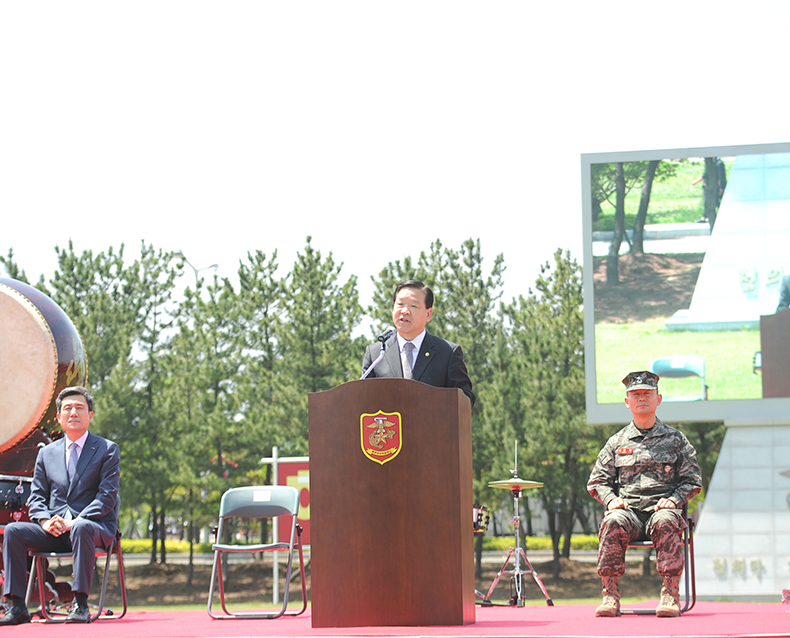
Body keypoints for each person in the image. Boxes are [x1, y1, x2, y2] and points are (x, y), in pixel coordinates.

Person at [0, 387, 120, 625]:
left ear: (91, 415)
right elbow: (36, 498)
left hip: (92, 529)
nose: (73, 412)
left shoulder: (106, 449)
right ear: (59, 418)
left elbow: (107, 497)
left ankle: (80, 603)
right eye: (67, 408)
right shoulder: (47, 453)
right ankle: (16, 605)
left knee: (82, 527)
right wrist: (45, 521)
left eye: (79, 407)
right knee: (13, 530)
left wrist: (75, 521)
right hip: (54, 530)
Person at [587, 371, 701, 618]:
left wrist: (674, 500)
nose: (641, 399)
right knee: (612, 519)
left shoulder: (676, 440)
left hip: (662, 510)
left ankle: (671, 593)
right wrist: (610, 500)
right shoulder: (616, 442)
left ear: (658, 399)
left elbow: (693, 481)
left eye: (647, 394)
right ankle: (610, 594)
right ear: (627, 402)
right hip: (630, 514)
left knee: (666, 519)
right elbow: (597, 482)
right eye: (635, 395)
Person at [362, 280, 475, 406]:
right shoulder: (377, 354)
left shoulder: (447, 353)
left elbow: (465, 400)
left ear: (428, 314)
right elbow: (363, 400)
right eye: (400, 304)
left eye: (414, 306)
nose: (405, 311)